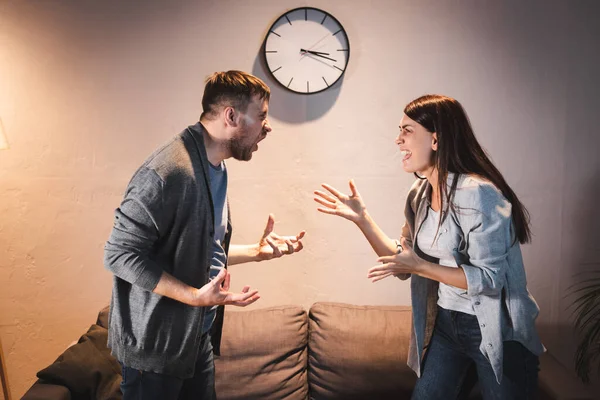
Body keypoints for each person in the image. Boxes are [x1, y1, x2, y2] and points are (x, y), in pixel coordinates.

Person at [313, 94, 543, 399]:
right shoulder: (420, 193)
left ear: (436, 140)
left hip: (497, 329)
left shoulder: (478, 193)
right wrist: (362, 219)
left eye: (407, 131)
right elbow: (403, 264)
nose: (398, 140)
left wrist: (420, 266)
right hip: (448, 322)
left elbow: (489, 280)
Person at [104, 70, 305, 400]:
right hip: (155, 350)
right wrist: (194, 297)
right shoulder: (168, 171)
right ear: (231, 116)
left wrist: (257, 251)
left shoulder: (216, 166)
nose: (268, 127)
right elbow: (119, 255)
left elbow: (200, 250)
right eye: (262, 116)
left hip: (195, 338)